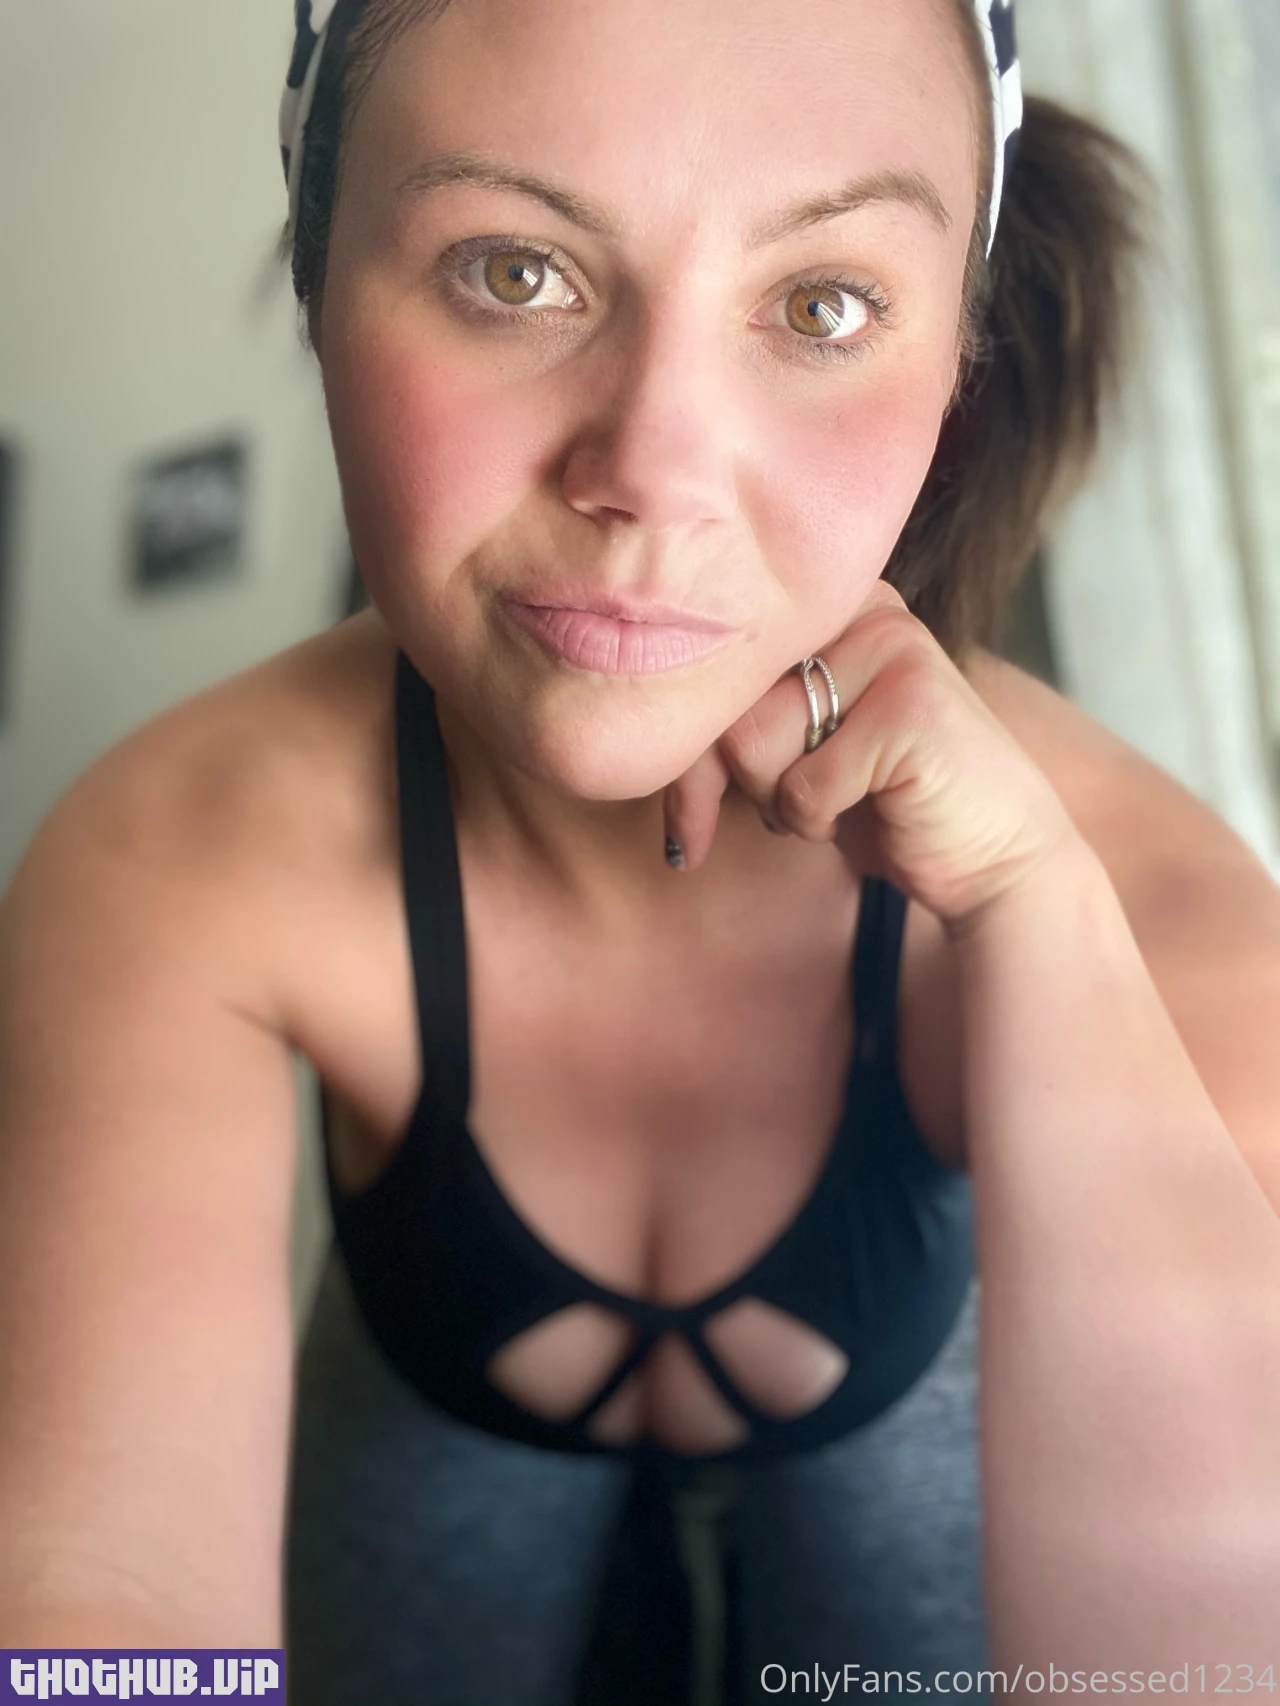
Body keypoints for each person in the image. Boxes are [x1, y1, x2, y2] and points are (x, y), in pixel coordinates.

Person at [3, 0, 1280, 1701]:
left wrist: (1030, 913)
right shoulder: (178, 850)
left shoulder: (1175, 922)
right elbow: (109, 1614)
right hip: (441, 1389)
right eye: (514, 270)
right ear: (318, 277)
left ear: (956, 363)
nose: (653, 477)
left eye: (823, 305)